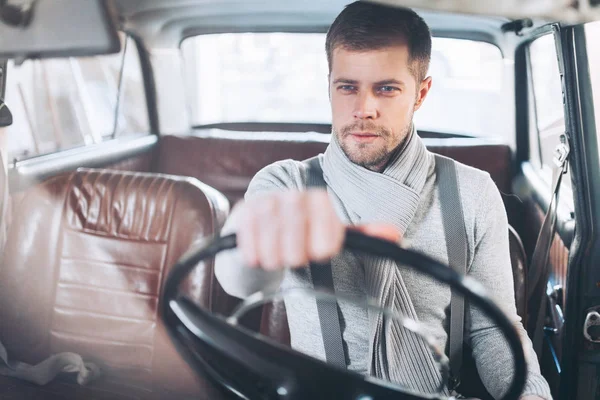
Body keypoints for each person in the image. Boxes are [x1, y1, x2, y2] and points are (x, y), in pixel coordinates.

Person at [215, 2, 551, 399]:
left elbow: (495, 331)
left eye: (386, 89)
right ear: (329, 87)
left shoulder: (472, 192)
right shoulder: (285, 184)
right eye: (348, 87)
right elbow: (237, 278)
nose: (363, 110)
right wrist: (256, 243)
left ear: (420, 93)